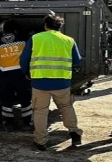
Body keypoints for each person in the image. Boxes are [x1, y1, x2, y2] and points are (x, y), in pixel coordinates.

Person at [20, 14, 83, 151]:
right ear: (60, 26)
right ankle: (75, 133)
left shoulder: (35, 38)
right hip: (62, 83)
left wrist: (26, 72)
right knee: (66, 107)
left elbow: (24, 59)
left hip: (39, 82)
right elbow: (77, 61)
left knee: (40, 111)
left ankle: (41, 141)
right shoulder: (69, 40)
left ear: (45, 25)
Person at [0, 19, 33, 132]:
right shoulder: (23, 39)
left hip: (4, 74)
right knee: (25, 99)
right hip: (21, 74)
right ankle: (27, 123)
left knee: (6, 100)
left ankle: (8, 124)